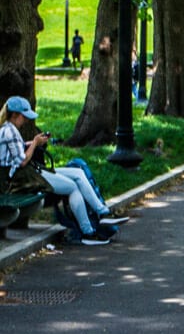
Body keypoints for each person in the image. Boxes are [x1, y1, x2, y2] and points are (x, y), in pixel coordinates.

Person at [0, 97, 127, 246]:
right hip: (20, 178)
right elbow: (21, 161)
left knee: (77, 173)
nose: (26, 120)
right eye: (24, 116)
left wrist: (34, 142)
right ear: (14, 115)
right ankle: (87, 233)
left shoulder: (9, 129)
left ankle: (103, 212)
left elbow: (16, 149)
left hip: (26, 173)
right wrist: (35, 143)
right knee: (72, 187)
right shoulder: (9, 131)